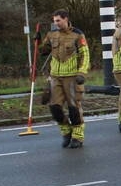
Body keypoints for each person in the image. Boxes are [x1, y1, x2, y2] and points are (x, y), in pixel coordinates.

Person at [37, 9, 90, 148]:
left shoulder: (77, 35)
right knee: (55, 107)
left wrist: (82, 73)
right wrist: (37, 42)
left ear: (66, 19)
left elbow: (85, 55)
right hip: (55, 77)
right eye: (54, 21)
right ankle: (66, 132)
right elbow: (44, 51)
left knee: (74, 109)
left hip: (72, 77)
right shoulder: (51, 34)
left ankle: (77, 137)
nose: (56, 23)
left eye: (58, 20)